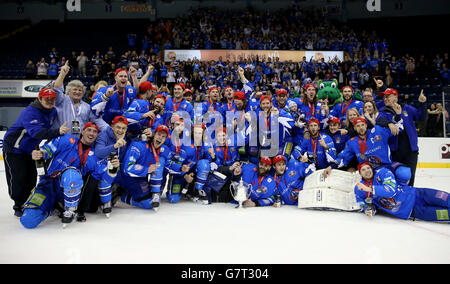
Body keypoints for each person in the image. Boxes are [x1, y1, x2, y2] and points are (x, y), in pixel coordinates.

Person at [21, 122, 120, 228]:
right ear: (82, 131)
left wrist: (114, 167)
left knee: (72, 174)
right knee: (28, 220)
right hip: (46, 185)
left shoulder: (95, 156)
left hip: (66, 191)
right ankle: (50, 207)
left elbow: (105, 175)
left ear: (97, 136)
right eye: (89, 130)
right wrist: (40, 153)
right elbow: (48, 150)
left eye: (95, 131)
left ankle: (70, 209)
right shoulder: (66, 140)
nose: (91, 133)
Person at [3, 88, 70, 217]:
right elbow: (37, 132)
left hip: (31, 149)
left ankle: (29, 201)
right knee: (18, 178)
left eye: (52, 99)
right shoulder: (30, 112)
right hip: (14, 148)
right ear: (39, 99)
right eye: (46, 98)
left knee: (32, 177)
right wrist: (58, 132)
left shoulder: (52, 111)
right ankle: (18, 204)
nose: (50, 101)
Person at [352, 161, 449, 222]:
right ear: (360, 173)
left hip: (418, 194)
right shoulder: (359, 188)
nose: (367, 171)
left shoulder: (383, 172)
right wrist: (369, 210)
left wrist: (369, 189)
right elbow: (362, 202)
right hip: (411, 211)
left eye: (368, 168)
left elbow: (390, 190)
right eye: (363, 170)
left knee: (447, 199)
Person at [378, 88, 427, 186]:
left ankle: (408, 197)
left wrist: (422, 104)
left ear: (395, 97)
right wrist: (389, 123)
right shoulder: (383, 111)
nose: (385, 99)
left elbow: (422, 118)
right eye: (384, 97)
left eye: (388, 96)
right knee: (394, 176)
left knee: (410, 177)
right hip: (394, 151)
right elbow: (379, 120)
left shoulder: (407, 108)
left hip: (411, 150)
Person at [119, 125, 170, 211]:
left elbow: (169, 165)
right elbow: (127, 168)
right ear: (153, 135)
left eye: (163, 137)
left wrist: (181, 169)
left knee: (154, 198)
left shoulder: (163, 149)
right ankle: (121, 195)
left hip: (141, 177)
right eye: (158, 135)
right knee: (149, 204)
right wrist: (146, 170)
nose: (160, 138)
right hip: (128, 177)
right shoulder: (139, 145)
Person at [52, 61, 107, 137]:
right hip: (60, 140)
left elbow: (97, 120)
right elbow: (56, 89)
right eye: (74, 89)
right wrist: (62, 74)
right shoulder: (62, 100)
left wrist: (110, 130)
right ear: (68, 91)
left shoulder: (87, 107)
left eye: (80, 90)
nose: (77, 92)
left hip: (78, 142)